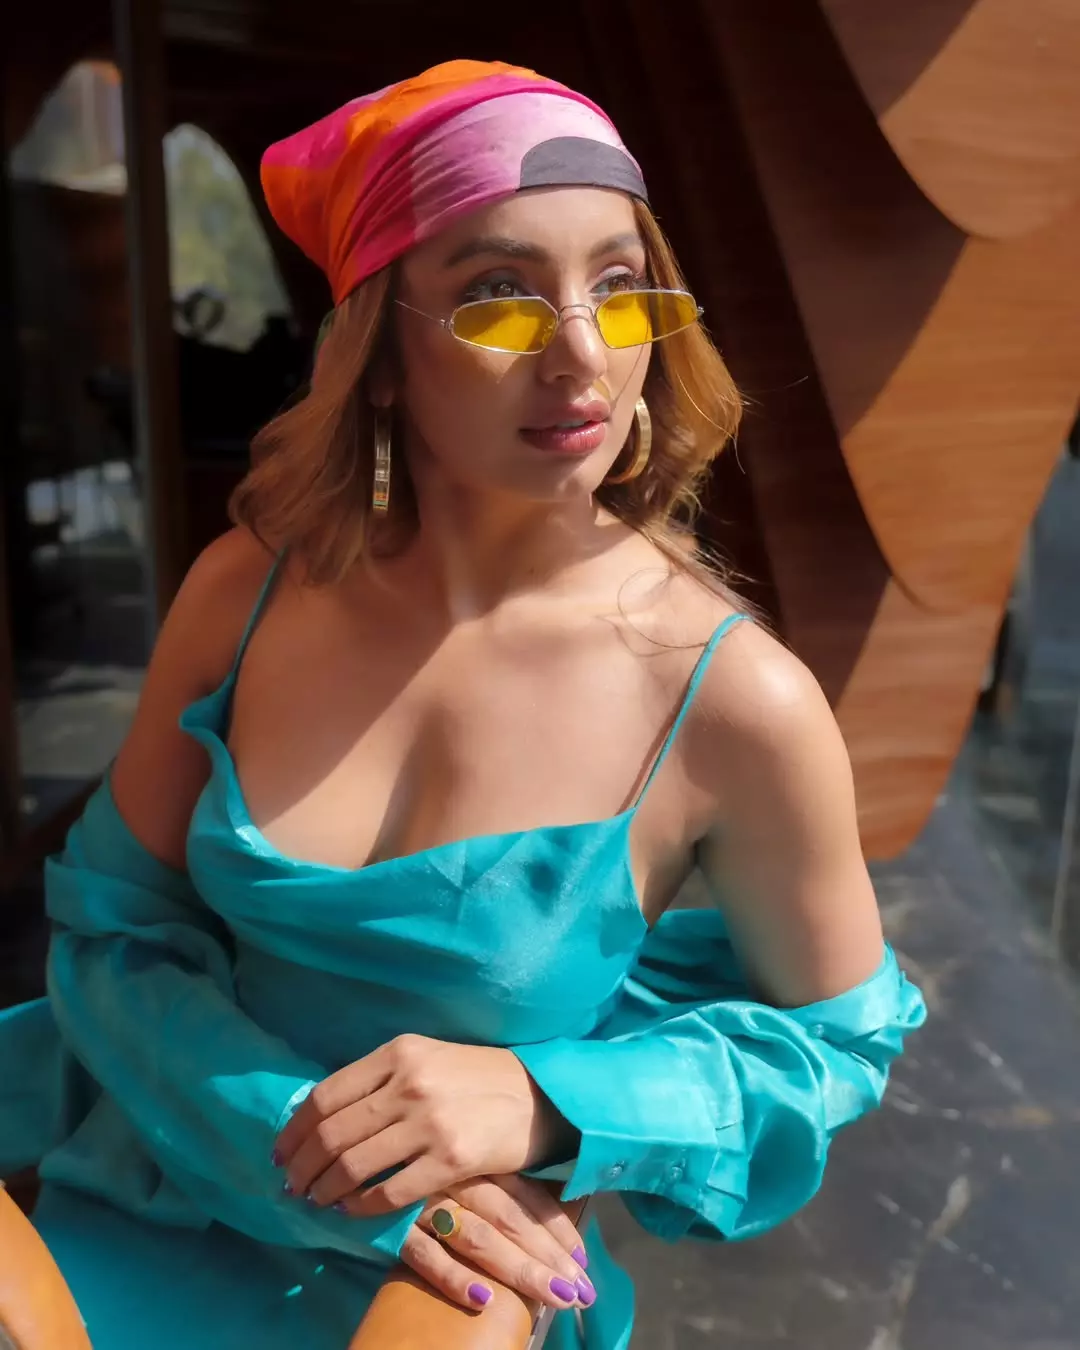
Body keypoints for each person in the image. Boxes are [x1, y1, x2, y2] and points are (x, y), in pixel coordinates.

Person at [0, 59, 925, 1350]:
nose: (583, 351)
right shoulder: (245, 593)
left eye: (621, 285)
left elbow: (835, 1047)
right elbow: (113, 937)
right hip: (153, 1191)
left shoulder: (732, 699)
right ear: (379, 355)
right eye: (498, 296)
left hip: (450, 1291)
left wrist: (543, 1098)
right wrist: (306, 1138)